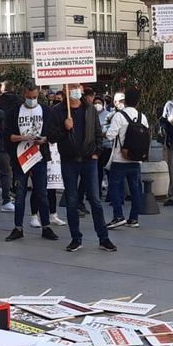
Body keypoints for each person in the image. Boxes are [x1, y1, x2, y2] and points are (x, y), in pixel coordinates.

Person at [54, 83, 115, 252]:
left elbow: (97, 132)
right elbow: (52, 136)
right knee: (72, 201)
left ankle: (103, 238)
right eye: (71, 87)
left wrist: (96, 152)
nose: (75, 90)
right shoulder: (58, 111)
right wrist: (65, 129)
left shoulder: (90, 109)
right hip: (69, 161)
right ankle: (76, 238)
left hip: (89, 160)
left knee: (95, 200)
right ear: (66, 91)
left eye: (77, 87)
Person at [3, 82, 59, 242]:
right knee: (20, 194)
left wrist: (45, 139)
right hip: (20, 158)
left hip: (39, 156)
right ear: (23, 95)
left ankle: (46, 226)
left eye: (35, 97)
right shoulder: (14, 112)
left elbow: (53, 133)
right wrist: (23, 138)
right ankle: (18, 228)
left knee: (42, 192)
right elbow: (8, 136)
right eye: (29, 97)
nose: (32, 100)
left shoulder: (46, 110)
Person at [106, 87, 147, 230]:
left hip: (119, 158)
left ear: (125, 100)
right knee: (135, 189)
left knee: (115, 187)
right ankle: (134, 219)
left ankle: (118, 216)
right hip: (136, 159)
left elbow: (110, 135)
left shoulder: (119, 116)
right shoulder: (143, 117)